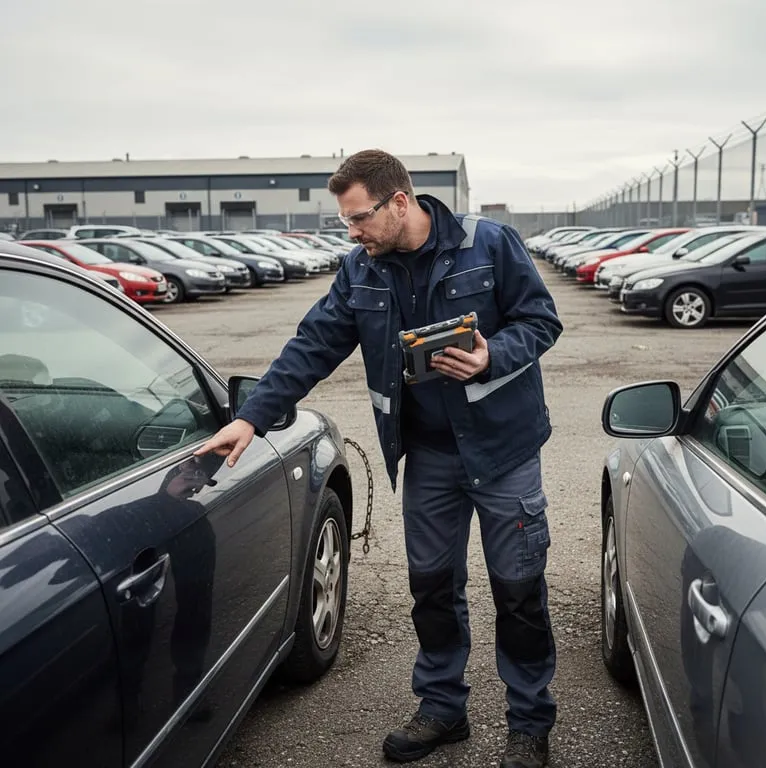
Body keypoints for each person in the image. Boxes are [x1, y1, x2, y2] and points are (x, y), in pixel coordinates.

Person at [195, 149, 563, 768]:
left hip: (504, 453)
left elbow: (541, 321)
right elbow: (313, 344)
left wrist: (490, 357)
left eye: (359, 218)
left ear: (400, 202)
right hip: (427, 460)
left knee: (519, 591)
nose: (353, 231)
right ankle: (443, 709)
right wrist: (251, 417)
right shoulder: (362, 270)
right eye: (346, 222)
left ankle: (529, 723)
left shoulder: (490, 244)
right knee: (432, 589)